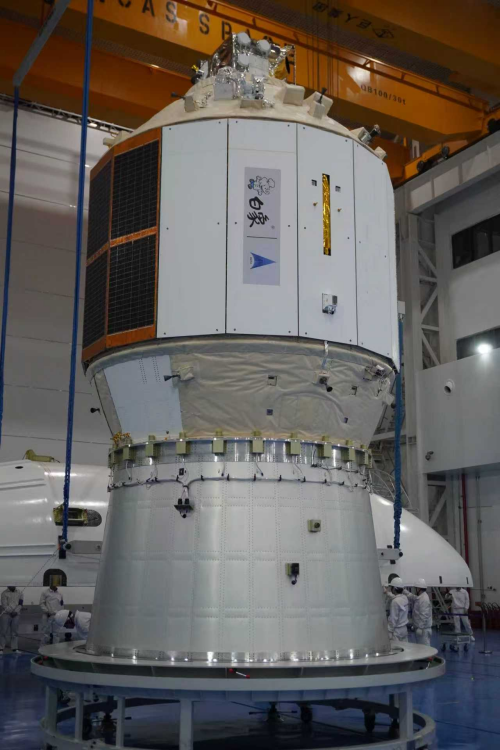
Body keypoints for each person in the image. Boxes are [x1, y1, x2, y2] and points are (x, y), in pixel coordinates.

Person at [406, 578, 433, 646]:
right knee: (421, 648)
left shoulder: (424, 599)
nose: (415, 590)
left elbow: (424, 615)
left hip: (423, 630)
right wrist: (405, 592)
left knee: (425, 649)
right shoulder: (421, 597)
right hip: (421, 629)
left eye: (416, 588)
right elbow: (413, 597)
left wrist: (420, 627)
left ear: (418, 589)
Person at [0, 586, 23, 654]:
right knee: (3, 631)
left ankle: (14, 648)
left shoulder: (20, 592)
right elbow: (4, 605)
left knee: (15, 632)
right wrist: (11, 612)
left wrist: (16, 611)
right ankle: (1, 648)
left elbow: (20, 604)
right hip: (6, 614)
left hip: (16, 614)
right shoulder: (4, 593)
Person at [387, 577, 409, 643]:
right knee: (405, 647)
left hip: (397, 631)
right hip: (404, 629)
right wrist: (387, 593)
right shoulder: (405, 598)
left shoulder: (395, 602)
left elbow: (393, 619)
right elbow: (397, 598)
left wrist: (389, 631)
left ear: (394, 589)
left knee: (397, 648)